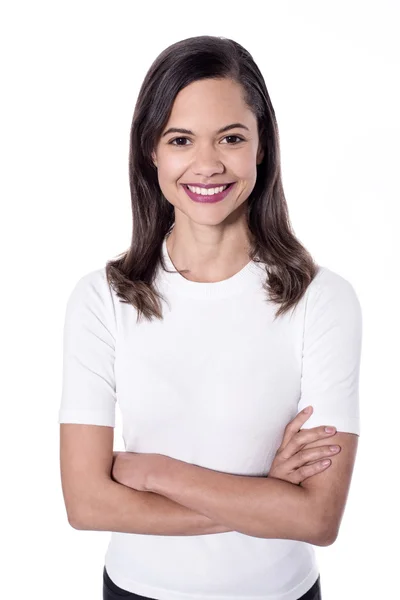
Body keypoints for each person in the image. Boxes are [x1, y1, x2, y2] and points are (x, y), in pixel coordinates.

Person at [59, 35, 362, 600]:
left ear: (261, 147)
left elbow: (318, 520)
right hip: (135, 590)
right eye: (181, 139)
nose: (207, 164)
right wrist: (268, 498)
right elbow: (86, 503)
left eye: (231, 138)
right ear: (151, 151)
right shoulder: (102, 299)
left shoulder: (322, 300)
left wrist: (155, 473)